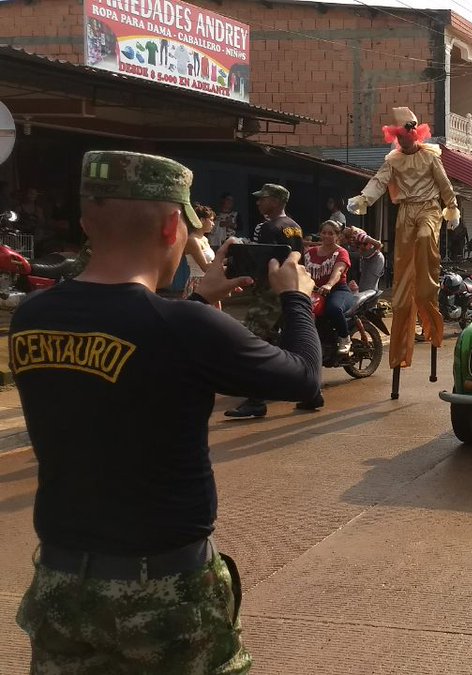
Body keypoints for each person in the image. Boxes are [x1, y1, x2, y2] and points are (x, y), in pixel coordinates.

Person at [11, 150, 320, 673]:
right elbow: (304, 376)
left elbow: (131, 354)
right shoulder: (186, 330)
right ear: (174, 224)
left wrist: (199, 301)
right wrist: (295, 298)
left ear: (87, 222)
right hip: (164, 589)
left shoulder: (32, 317)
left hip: (60, 583)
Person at [349, 106, 459, 371]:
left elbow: (444, 185)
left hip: (430, 209)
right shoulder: (393, 160)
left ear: (415, 133)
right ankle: (406, 303)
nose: (404, 139)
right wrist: (364, 198)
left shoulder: (431, 157)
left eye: (407, 134)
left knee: (424, 237)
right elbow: (379, 181)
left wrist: (452, 208)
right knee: (403, 265)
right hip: (406, 210)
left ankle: (427, 290)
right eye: (400, 135)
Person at [225, 183, 307, 419]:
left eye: (264, 198)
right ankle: (311, 393)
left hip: (269, 292)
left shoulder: (266, 227)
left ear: (277, 201)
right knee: (293, 341)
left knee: (252, 344)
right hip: (291, 288)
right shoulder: (295, 226)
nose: (259, 202)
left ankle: (255, 401)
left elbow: (258, 259)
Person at [306, 220, 354, 357]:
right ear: (320, 234)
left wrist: (329, 285)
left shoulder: (341, 252)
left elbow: (338, 271)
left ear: (337, 236)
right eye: (324, 232)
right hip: (314, 291)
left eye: (331, 233)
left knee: (333, 308)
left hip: (338, 290)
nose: (327, 236)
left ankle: (345, 338)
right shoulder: (310, 252)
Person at [183, 203, 217, 300]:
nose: (213, 224)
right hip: (198, 284)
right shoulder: (192, 240)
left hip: (208, 281)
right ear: (201, 220)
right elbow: (205, 267)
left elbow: (212, 263)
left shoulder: (204, 239)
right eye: (211, 220)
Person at [340, 223, 385, 292]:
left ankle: (371, 301)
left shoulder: (359, 236)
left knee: (368, 286)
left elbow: (378, 244)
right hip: (366, 259)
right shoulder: (351, 241)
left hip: (375, 259)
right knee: (363, 284)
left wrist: (370, 252)